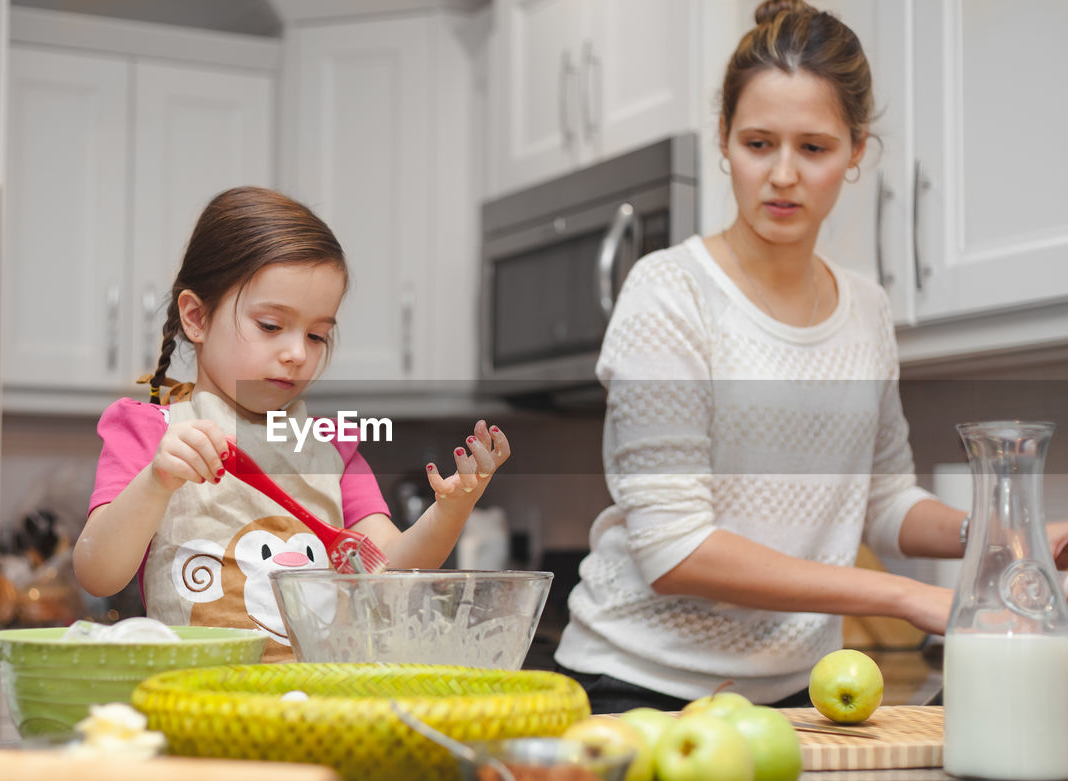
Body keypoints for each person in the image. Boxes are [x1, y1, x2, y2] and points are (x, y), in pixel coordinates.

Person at [553, 0, 1068, 713]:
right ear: (724, 140)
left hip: (804, 694)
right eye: (758, 143)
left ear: (857, 151)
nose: (783, 175)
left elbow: (884, 503)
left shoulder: (867, 310)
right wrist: (906, 594)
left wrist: (1010, 536)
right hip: (642, 687)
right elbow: (675, 551)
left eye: (814, 148)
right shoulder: (670, 293)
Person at [73, 186, 511, 660]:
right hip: (197, 706)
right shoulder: (150, 433)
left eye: (318, 334)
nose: (297, 353)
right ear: (196, 317)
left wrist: (452, 510)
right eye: (270, 326)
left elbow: (386, 577)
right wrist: (157, 482)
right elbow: (98, 572)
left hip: (314, 710)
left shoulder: (330, 450)